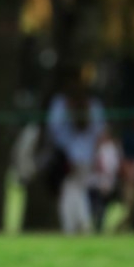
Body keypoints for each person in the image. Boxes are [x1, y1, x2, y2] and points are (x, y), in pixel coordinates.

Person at [46, 68, 105, 235]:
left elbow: (54, 129)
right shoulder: (94, 105)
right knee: (76, 189)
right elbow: (99, 133)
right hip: (86, 155)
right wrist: (95, 154)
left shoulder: (62, 104)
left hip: (69, 155)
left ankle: (75, 226)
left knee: (70, 190)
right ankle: (79, 225)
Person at [88, 124, 122, 233]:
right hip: (93, 183)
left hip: (105, 183)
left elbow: (112, 168)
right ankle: (94, 226)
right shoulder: (94, 147)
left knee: (102, 207)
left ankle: (101, 227)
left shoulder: (112, 149)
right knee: (93, 206)